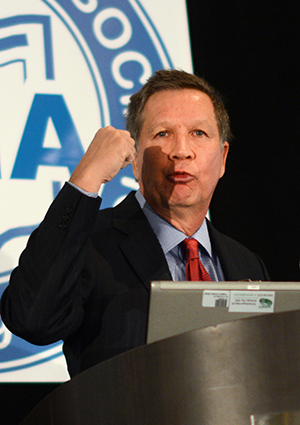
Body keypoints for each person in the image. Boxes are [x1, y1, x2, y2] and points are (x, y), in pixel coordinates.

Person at [0, 69, 269, 378]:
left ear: (222, 158)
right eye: (162, 134)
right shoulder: (90, 243)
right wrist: (85, 179)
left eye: (199, 133)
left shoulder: (247, 264)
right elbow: (30, 319)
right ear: (136, 158)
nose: (181, 151)